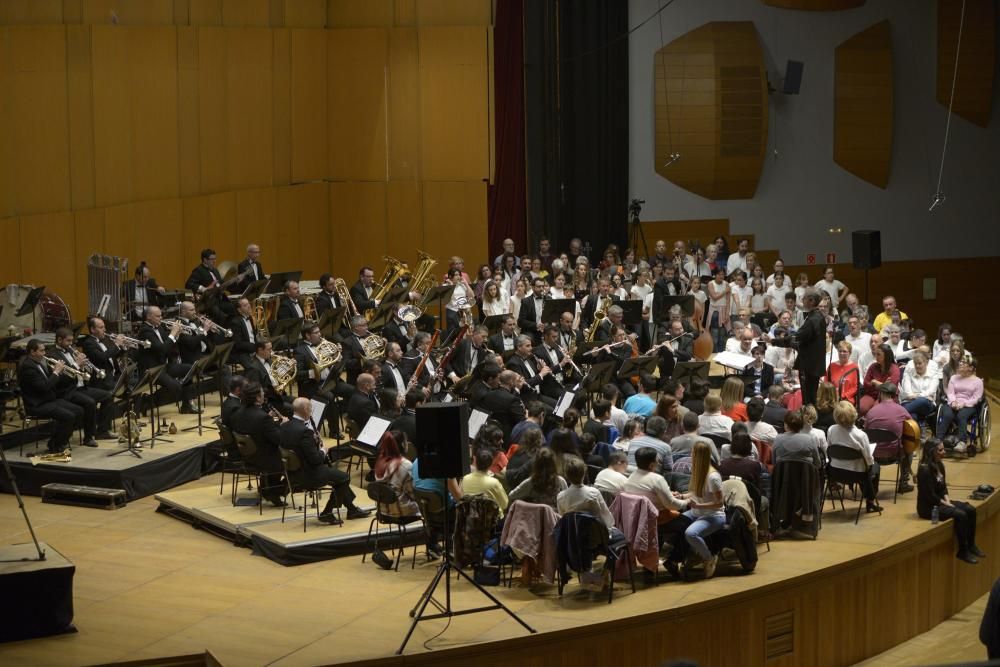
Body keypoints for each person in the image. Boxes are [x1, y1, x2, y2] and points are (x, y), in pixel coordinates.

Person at [281, 397, 370, 523]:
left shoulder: (284, 426)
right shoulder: (305, 432)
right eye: (310, 409)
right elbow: (316, 460)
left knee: (336, 476)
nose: (311, 411)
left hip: (291, 474)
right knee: (343, 478)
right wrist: (323, 450)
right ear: (306, 410)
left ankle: (352, 509)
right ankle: (327, 513)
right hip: (309, 475)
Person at [917, 438, 984, 563]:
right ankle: (962, 551)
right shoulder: (924, 470)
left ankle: (971, 545)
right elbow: (930, 496)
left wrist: (948, 501)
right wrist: (947, 504)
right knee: (961, 515)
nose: (944, 452)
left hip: (940, 501)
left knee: (971, 510)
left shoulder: (940, 465)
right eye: (940, 450)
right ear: (932, 452)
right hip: (928, 507)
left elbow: (943, 488)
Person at [17, 340, 83, 453]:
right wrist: (56, 372)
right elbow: (44, 387)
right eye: (41, 351)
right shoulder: (28, 367)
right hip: (37, 405)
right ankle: (56, 444)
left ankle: (59, 439)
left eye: (44, 350)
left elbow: (49, 382)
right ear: (32, 352)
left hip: (48, 400)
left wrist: (57, 373)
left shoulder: (38, 362)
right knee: (69, 416)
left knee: (79, 410)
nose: (44, 353)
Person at [773, 287, 825, 407]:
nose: (802, 299)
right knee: (810, 398)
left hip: (809, 366)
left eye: (804, 297)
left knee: (808, 400)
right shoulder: (817, 316)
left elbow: (796, 337)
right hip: (813, 365)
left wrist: (774, 341)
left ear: (811, 301)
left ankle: (809, 422)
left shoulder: (813, 319)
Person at [827, 401, 882, 513]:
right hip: (857, 474)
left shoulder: (831, 429)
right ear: (854, 414)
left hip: (835, 472)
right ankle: (870, 502)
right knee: (875, 467)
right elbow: (868, 459)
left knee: (865, 468)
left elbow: (830, 448)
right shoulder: (861, 435)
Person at [683, 442, 726, 578]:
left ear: (698, 456)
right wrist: (682, 495)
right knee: (676, 522)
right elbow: (696, 492)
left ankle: (708, 558)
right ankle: (693, 553)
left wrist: (699, 506)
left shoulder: (713, 477)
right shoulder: (697, 471)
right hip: (697, 513)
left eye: (692, 453)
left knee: (691, 533)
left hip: (714, 515)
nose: (691, 456)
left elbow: (719, 503)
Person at [864, 382, 914, 493]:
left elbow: (866, 431)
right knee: (909, 449)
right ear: (894, 395)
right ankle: (903, 483)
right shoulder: (901, 410)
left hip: (874, 455)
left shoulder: (871, 412)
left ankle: (873, 484)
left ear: (881, 393)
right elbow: (913, 428)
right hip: (894, 454)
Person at [936, 354, 984, 454]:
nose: (960, 363)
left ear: (971, 368)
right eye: (960, 362)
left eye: (964, 362)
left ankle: (962, 442)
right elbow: (950, 393)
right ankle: (938, 441)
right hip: (953, 402)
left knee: (962, 415)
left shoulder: (978, 382)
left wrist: (964, 404)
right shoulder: (953, 378)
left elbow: (976, 398)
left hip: (968, 405)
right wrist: (953, 402)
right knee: (947, 414)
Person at [462, 449, 509, 517]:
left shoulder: (465, 479)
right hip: (493, 523)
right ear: (491, 464)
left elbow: (462, 498)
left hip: (471, 520)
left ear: (475, 461)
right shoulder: (494, 482)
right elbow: (505, 504)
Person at [860, 343, 900, 416]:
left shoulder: (894, 369)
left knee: (876, 411)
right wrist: (883, 385)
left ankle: (869, 423)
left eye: (878, 354)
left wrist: (874, 382)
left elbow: (890, 389)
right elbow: (866, 384)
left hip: (887, 397)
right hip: (871, 394)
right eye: (875, 354)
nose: (876, 357)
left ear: (886, 356)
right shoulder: (873, 366)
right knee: (862, 408)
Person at [900, 350, 938, 426]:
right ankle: (919, 431)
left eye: (920, 363)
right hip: (909, 402)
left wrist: (916, 395)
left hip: (927, 405)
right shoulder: (909, 373)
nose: (917, 366)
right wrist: (922, 396)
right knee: (913, 416)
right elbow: (907, 392)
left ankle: (898, 413)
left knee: (922, 401)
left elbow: (931, 391)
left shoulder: (933, 375)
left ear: (926, 363)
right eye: (915, 364)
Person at [825, 340, 860, 406]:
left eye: (844, 351)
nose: (842, 353)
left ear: (850, 353)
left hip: (846, 399)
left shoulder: (854, 367)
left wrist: (843, 396)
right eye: (840, 351)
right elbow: (826, 383)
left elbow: (855, 387)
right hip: (831, 398)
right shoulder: (831, 366)